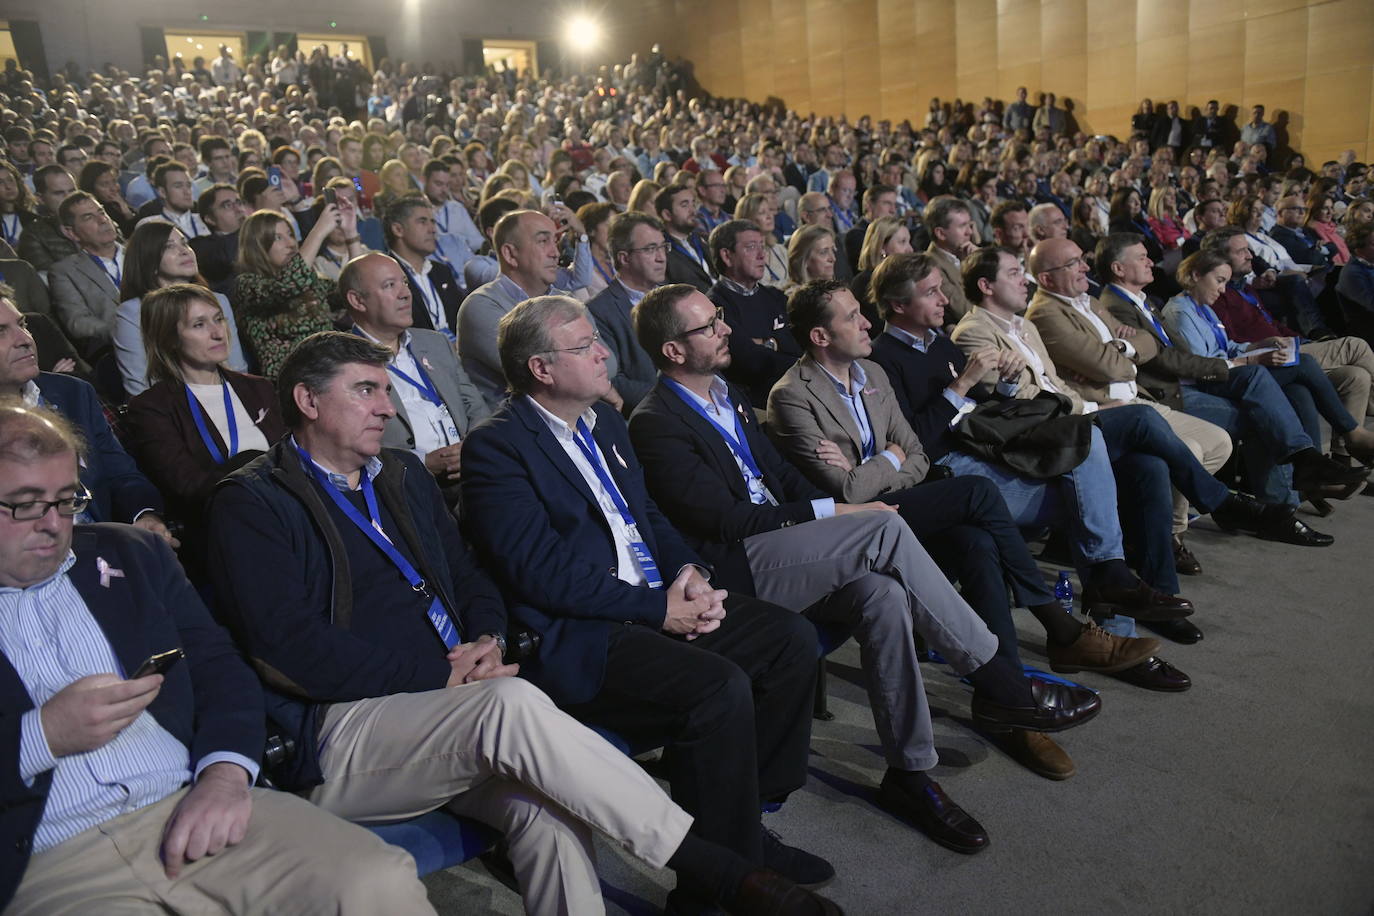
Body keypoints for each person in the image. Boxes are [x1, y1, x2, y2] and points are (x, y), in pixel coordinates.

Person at [204, 326, 847, 915]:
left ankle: (712, 871)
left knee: (547, 808)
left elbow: (470, 575)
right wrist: (440, 672)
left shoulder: (397, 475)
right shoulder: (253, 501)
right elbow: (287, 649)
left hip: (455, 702)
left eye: (388, 391)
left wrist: (485, 638)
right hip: (346, 727)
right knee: (514, 703)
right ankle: (721, 870)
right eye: (367, 391)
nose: (389, 408)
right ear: (308, 402)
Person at [627, 283, 1102, 840]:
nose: (725, 329)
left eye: (720, 318)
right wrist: (838, 509)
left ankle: (910, 771)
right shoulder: (654, 420)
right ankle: (1003, 683)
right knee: (881, 523)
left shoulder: (726, 393)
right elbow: (724, 522)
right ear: (674, 350)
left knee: (883, 594)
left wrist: (839, 505)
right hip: (735, 568)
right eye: (708, 327)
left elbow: (778, 479)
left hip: (785, 545)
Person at [0, 401, 435, 915]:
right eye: (27, 504)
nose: (54, 524)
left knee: (376, 880)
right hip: (45, 858)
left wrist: (225, 775)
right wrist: (40, 736)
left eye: (68, 499)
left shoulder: (129, 556)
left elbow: (219, 670)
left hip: (190, 802)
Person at [770, 277, 1168, 702]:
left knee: (977, 541)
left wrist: (883, 465)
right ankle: (1062, 628)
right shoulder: (793, 395)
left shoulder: (873, 373)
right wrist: (891, 458)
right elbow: (848, 490)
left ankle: (1005, 690)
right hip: (849, 526)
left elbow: (918, 454)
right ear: (820, 336)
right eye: (851, 317)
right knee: (976, 492)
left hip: (899, 503)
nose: (866, 322)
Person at [865, 251, 1205, 666]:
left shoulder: (937, 344)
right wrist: (963, 383)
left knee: (1134, 465)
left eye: (941, 288)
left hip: (990, 452)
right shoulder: (881, 359)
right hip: (949, 472)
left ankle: (1114, 623)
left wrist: (1005, 387)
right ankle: (1110, 623)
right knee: (1093, 491)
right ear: (899, 305)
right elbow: (915, 442)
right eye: (931, 292)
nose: (943, 299)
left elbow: (981, 413)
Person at [1097, 235, 1336, 546]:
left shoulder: (1143, 300)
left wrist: (1239, 358)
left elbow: (1174, 352)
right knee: (1261, 414)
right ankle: (1280, 507)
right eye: (1141, 257)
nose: (1150, 261)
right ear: (1118, 267)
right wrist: (1228, 366)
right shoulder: (1115, 306)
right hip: (1165, 394)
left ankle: (1293, 482)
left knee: (1287, 392)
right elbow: (1165, 359)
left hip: (1187, 383)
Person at [1163, 250, 1374, 492]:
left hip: (1229, 372)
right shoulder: (1180, 312)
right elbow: (1203, 365)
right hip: (1211, 380)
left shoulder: (1202, 307)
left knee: (1298, 388)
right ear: (1195, 275)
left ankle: (1313, 469)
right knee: (1303, 364)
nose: (1223, 290)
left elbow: (1227, 346)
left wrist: (1256, 345)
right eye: (1219, 281)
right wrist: (1255, 359)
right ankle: (1350, 435)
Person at [120, 283, 283, 572]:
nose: (218, 332)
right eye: (199, 324)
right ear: (170, 338)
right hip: (227, 530)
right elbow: (187, 484)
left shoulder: (259, 388)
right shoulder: (153, 407)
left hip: (291, 511)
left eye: (218, 319)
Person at [0, 291, 176, 543]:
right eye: (0, 331)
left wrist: (144, 516)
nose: (25, 339)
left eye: (22, 324)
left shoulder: (73, 392)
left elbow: (121, 473)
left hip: (102, 544)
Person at [339, 253, 489, 498]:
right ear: (357, 300)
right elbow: (347, 446)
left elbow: (476, 407)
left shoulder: (435, 343)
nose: (405, 293)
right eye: (390, 286)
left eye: (405, 283)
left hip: (473, 474)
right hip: (404, 491)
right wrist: (422, 464)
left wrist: (472, 449)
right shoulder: (342, 364)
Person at [1204, 227, 1374, 437]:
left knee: (1356, 376)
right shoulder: (1217, 295)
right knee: (1354, 346)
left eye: (1249, 249)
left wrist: (1299, 339)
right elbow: (1231, 342)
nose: (1250, 255)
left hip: (1292, 346)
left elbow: (1272, 323)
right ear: (1219, 258)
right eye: (1241, 251)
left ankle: (1345, 455)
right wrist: (1272, 345)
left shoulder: (1245, 287)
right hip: (1270, 357)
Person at [458, 208, 587, 409]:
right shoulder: (480, 305)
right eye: (543, 241)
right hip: (512, 429)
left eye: (555, 241)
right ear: (510, 254)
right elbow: (535, 373)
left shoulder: (564, 300)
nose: (555, 253)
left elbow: (608, 362)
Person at [113, 220, 248, 397]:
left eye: (184, 243)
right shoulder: (132, 313)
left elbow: (237, 369)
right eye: (169, 247)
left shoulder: (218, 301)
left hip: (227, 398)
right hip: (171, 412)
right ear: (150, 262)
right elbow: (140, 389)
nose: (184, 251)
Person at [232, 208, 338, 379]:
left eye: (290, 234)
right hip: (292, 382)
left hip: (331, 372)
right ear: (258, 245)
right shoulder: (247, 285)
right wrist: (317, 233)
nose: (291, 243)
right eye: (278, 238)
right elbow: (287, 285)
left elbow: (351, 294)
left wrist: (351, 236)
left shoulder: (311, 280)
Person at [707, 219, 801, 406]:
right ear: (727, 256)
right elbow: (749, 360)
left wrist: (767, 343)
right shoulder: (715, 304)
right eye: (751, 247)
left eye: (762, 247)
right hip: (756, 403)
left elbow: (799, 341)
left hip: (795, 390)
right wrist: (800, 361)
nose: (761, 256)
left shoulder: (774, 296)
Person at [586, 211, 668, 411]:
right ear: (624, 258)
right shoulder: (598, 311)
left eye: (663, 247)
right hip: (652, 413)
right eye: (650, 249)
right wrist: (675, 400)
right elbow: (613, 380)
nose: (661, 257)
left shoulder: (674, 295)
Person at [383, 195, 464, 339]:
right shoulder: (386, 277)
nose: (432, 229)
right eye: (423, 222)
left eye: (432, 222)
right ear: (398, 229)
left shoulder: (441, 272)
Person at [924, 196, 979, 326]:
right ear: (941, 234)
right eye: (962, 226)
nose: (970, 232)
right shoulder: (931, 265)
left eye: (969, 225)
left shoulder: (967, 254)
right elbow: (966, 311)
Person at [15, 164, 77, 274]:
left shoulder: (100, 220)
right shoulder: (33, 235)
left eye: (72, 191)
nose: (68, 198)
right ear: (40, 198)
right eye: (59, 193)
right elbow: (50, 277)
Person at [658, 183, 716, 292]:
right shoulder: (662, 251)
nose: (693, 210)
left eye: (693, 204)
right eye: (685, 205)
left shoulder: (704, 240)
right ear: (667, 215)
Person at [784, 224, 839, 292]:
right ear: (803, 259)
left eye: (833, 250)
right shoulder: (794, 299)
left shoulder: (835, 291)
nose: (833, 259)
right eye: (823, 252)